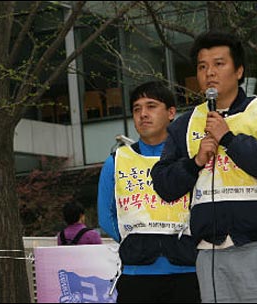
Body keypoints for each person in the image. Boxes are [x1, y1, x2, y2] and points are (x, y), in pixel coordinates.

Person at [151, 30, 257, 303]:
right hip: (209, 254)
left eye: (219, 64)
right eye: (202, 66)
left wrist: (228, 138)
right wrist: (195, 162)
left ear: (239, 70)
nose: (209, 73)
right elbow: (163, 185)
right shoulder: (184, 124)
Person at [98, 81, 200, 303]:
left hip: (188, 272)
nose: (143, 114)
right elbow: (106, 217)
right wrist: (138, 241)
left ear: (171, 112)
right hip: (137, 274)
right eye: (137, 109)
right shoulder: (116, 161)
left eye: (151, 106)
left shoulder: (192, 158)